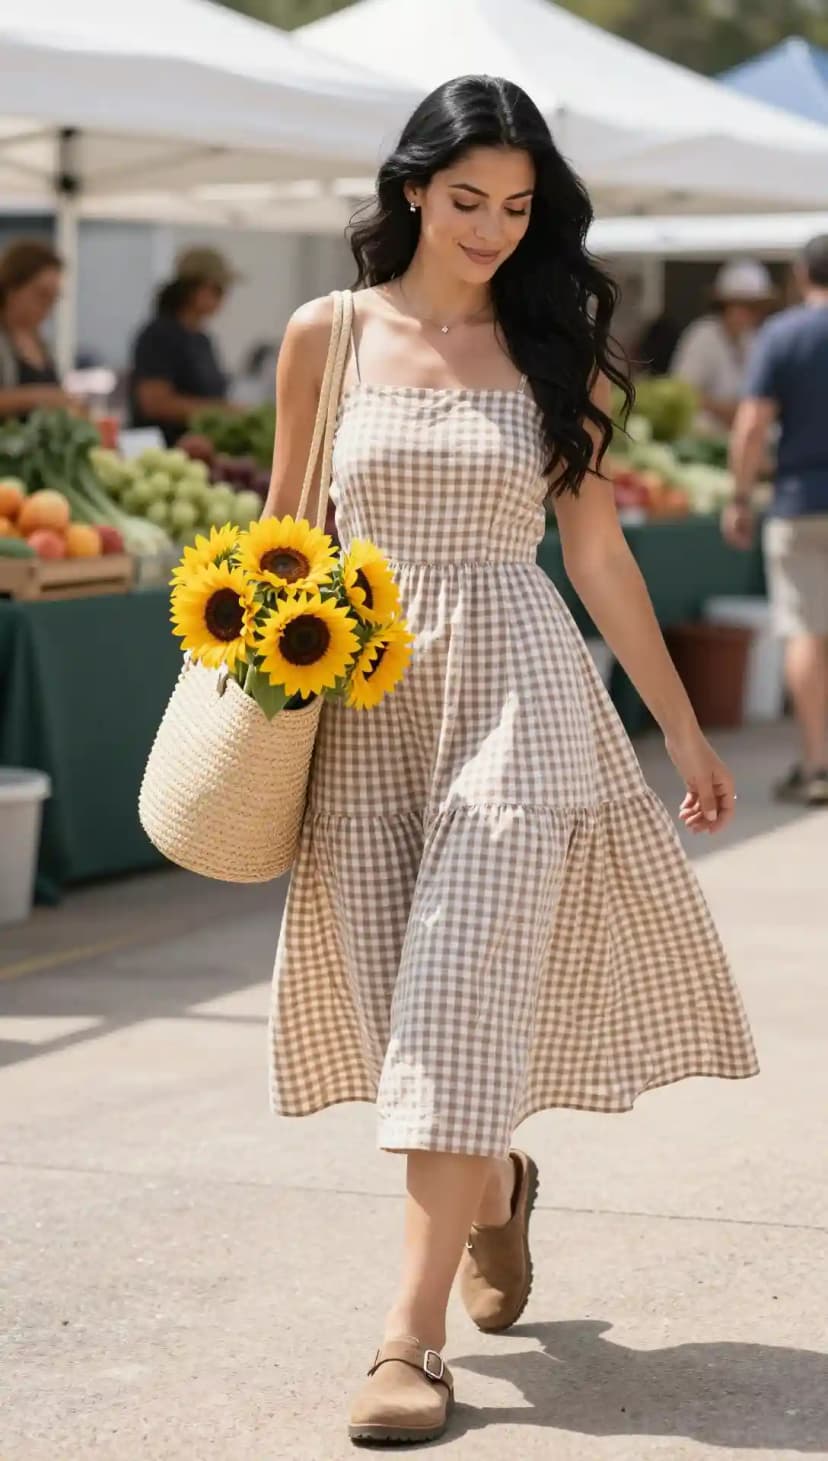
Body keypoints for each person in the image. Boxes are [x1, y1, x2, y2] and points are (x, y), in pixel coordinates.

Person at [263, 76, 757, 1444]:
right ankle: (496, 1186)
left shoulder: (558, 350)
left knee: (457, 996)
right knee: (399, 1016)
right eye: (467, 200)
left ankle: (406, 1344)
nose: (491, 230)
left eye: (519, 208)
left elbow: (596, 554)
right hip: (368, 702)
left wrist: (682, 725)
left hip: (519, 697)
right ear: (412, 189)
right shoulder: (327, 333)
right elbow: (283, 533)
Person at [724, 235, 828, 806]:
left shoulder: (782, 334)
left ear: (800, 275)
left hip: (800, 500)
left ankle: (817, 764)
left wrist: (740, 497)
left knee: (806, 631)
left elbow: (751, 426)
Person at [129, 246, 237, 444]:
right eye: (217, 290)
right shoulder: (159, 335)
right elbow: (154, 403)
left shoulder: (202, 340)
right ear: (194, 289)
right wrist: (222, 411)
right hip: (163, 448)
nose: (223, 298)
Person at [671, 259, 776, 435]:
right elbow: (683, 393)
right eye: (746, 306)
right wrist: (725, 410)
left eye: (757, 307)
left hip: (739, 433)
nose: (752, 313)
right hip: (703, 435)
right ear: (726, 305)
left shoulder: (753, 338)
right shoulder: (703, 336)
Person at [0, 240, 80, 418]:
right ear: (11, 290)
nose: (48, 307)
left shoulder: (42, 344)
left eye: (54, 298)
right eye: (42, 295)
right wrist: (38, 397)